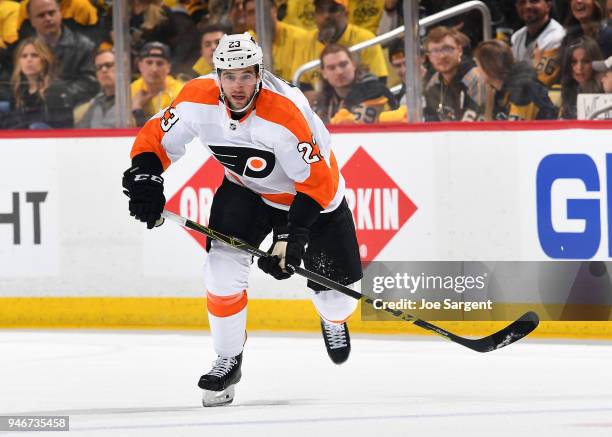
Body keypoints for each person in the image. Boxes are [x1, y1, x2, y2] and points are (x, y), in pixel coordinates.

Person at [122, 33, 362, 407]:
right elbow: (156, 140)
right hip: (245, 191)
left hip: (313, 201)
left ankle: (332, 320)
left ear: (259, 73)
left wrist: (291, 238)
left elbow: (317, 185)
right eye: (229, 76)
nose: (237, 85)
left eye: (246, 75)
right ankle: (228, 358)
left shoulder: (285, 112)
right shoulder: (196, 98)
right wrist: (146, 178)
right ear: (217, 74)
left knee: (338, 303)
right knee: (220, 268)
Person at [299, 0, 388, 94]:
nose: (326, 16)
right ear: (315, 16)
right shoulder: (305, 41)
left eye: (333, 10)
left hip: (361, 102)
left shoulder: (365, 38)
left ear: (346, 13)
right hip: (323, 104)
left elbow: (380, 81)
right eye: (320, 10)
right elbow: (301, 84)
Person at [25, 0, 98, 107]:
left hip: (70, 109)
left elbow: (90, 84)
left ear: (60, 14)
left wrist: (57, 94)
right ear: (32, 21)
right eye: (41, 15)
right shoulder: (23, 48)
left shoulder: (84, 46)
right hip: (29, 109)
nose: (48, 19)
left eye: (51, 13)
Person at [474, 39, 558, 120]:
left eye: (478, 65)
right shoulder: (497, 90)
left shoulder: (522, 92)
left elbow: (516, 133)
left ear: (489, 67)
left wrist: (489, 111)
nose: (476, 70)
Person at [314, 43, 397, 124]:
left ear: (353, 65)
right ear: (324, 73)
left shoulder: (375, 91)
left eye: (343, 65)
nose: (339, 72)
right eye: (331, 68)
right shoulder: (322, 101)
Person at [3, 37, 72, 128]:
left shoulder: (56, 89)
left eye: (34, 55)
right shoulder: (18, 90)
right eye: (24, 56)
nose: (29, 60)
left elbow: (61, 127)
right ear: (19, 62)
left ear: (45, 60)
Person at [423, 26, 487, 122]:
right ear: (429, 57)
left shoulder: (475, 76)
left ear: (460, 50)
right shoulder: (431, 81)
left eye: (448, 49)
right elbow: (429, 120)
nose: (442, 56)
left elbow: (472, 124)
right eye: (435, 51)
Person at [242, 0, 310, 82]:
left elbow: (299, 83)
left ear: (274, 10)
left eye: (263, 10)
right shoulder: (245, 41)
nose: (258, 16)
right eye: (251, 12)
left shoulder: (300, 37)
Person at [511, 0, 566, 87]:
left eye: (534, 1)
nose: (527, 6)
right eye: (522, 2)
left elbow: (540, 82)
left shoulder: (559, 37)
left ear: (548, 5)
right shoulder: (517, 37)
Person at [130, 41, 184, 126]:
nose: (154, 69)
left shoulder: (181, 92)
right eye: (149, 62)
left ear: (168, 67)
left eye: (160, 63)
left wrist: (137, 109)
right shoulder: (130, 91)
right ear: (140, 66)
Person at [559, 36, 604, 118]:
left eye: (586, 61)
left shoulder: (606, 87)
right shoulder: (568, 89)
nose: (579, 67)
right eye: (574, 62)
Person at [75, 49, 116, 128]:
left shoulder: (133, 97)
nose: (103, 70)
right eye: (98, 67)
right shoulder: (96, 103)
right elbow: (80, 133)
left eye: (108, 65)